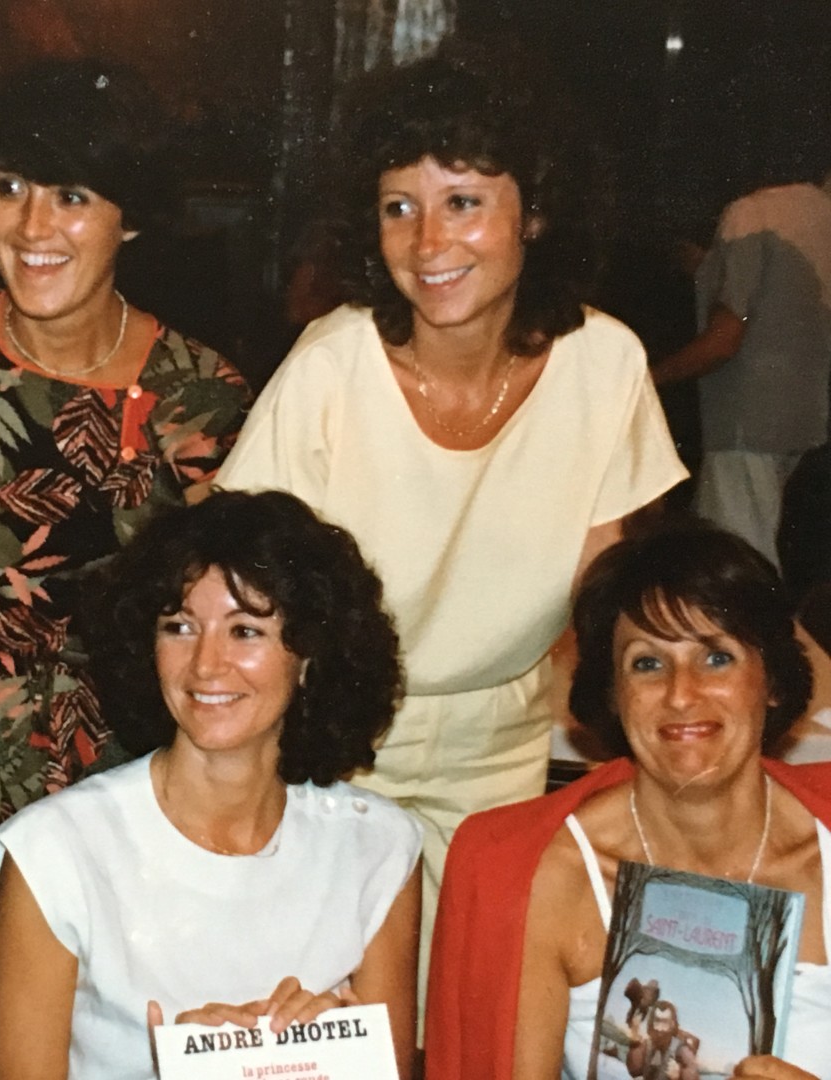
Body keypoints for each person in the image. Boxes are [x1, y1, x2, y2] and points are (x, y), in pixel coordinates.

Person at [216, 46, 687, 934]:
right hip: (332, 744)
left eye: (462, 202)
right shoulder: (331, 365)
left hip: (503, 752)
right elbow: (241, 595)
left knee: (480, 996)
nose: (428, 243)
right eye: (399, 207)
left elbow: (606, 598)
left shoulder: (606, 362)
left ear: (534, 213)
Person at [0, 59, 249, 845]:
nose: (32, 227)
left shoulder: (198, 396)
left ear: (130, 217)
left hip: (129, 787)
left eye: (71, 196)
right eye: (11, 188)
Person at [0, 490, 422, 1080]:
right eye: (180, 627)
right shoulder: (54, 855)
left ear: (310, 655)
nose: (206, 665)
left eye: (245, 631)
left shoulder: (378, 847)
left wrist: (340, 1059)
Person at [425, 522, 831, 1080]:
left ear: (773, 681)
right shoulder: (543, 874)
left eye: (717, 657)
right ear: (614, 695)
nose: (681, 693)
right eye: (647, 663)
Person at [652, 131, 831, 565]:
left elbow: (724, 341)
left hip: (746, 425)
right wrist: (708, 267)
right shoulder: (818, 214)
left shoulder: (749, 213)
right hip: (803, 422)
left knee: (736, 562)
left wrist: (647, 377)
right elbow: (785, 297)